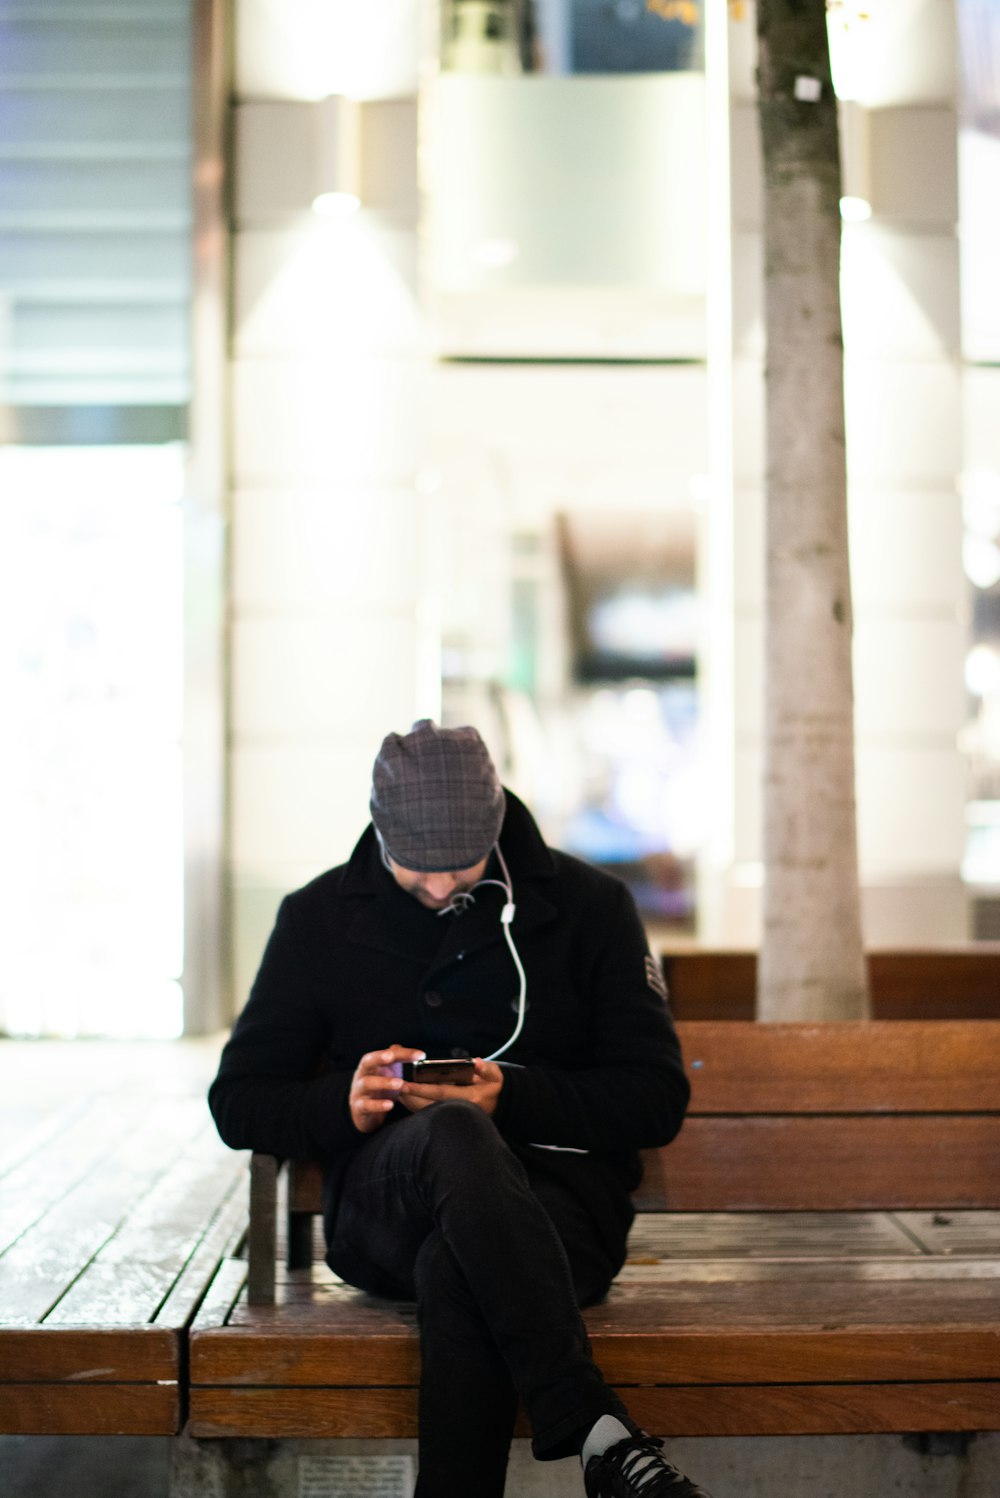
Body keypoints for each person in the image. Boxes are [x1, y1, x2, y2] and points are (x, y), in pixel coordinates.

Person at [209, 720, 715, 1498]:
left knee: (460, 1263)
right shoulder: (318, 917)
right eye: (418, 874)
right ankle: (589, 1424)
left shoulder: (590, 908)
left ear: (498, 826)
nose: (443, 890)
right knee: (451, 1130)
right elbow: (238, 1101)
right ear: (379, 833)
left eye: (461, 869)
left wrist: (515, 1093)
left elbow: (654, 1098)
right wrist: (344, 1101)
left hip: (560, 1215)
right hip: (384, 1209)